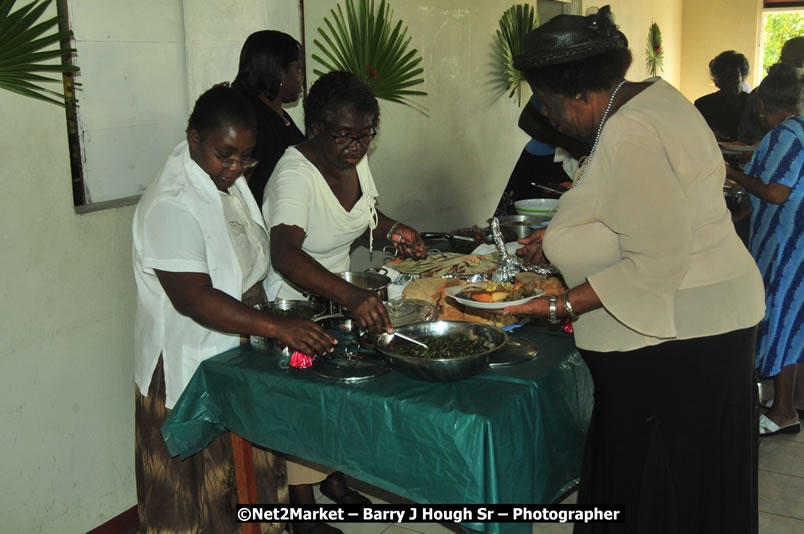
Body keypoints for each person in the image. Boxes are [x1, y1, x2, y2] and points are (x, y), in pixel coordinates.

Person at [506, 6, 766, 533]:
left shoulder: (628, 133)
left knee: (659, 488)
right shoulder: (653, 96)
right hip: (708, 322)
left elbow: (657, 257)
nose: (548, 118)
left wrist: (558, 303)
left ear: (581, 93)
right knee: (690, 485)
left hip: (680, 338)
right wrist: (565, 239)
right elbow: (654, 215)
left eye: (549, 105)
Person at [132, 85, 337, 534]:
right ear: (193, 138)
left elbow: (249, 261)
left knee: (250, 474)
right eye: (226, 155)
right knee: (199, 493)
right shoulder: (170, 204)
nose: (237, 167)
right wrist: (278, 325)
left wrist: (284, 314)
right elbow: (193, 298)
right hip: (191, 363)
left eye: (246, 157)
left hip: (239, 347)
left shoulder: (228, 182)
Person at [725, 62, 803, 437]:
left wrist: (730, 171)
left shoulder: (786, 135)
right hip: (785, 238)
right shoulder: (796, 130)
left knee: (784, 323)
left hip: (788, 246)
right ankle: (788, 404)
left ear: (761, 106)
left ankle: (784, 411)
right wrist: (737, 216)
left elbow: (775, 192)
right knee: (791, 324)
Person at [232, 30, 306, 207]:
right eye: (298, 69)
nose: (301, 77)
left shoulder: (277, 112)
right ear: (280, 73)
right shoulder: (251, 120)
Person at [494, 95, 589, 216]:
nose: (545, 110)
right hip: (543, 164)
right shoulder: (559, 82)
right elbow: (527, 120)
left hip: (584, 168)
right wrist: (573, 146)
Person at [738, 36, 804, 145]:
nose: (791, 69)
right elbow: (745, 137)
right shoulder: (758, 95)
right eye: (785, 62)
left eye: (797, 63)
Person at [694, 50, 750, 141]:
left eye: (733, 74)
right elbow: (694, 135)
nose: (729, 79)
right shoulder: (704, 105)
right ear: (716, 80)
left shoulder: (754, 104)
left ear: (742, 76)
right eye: (724, 75)